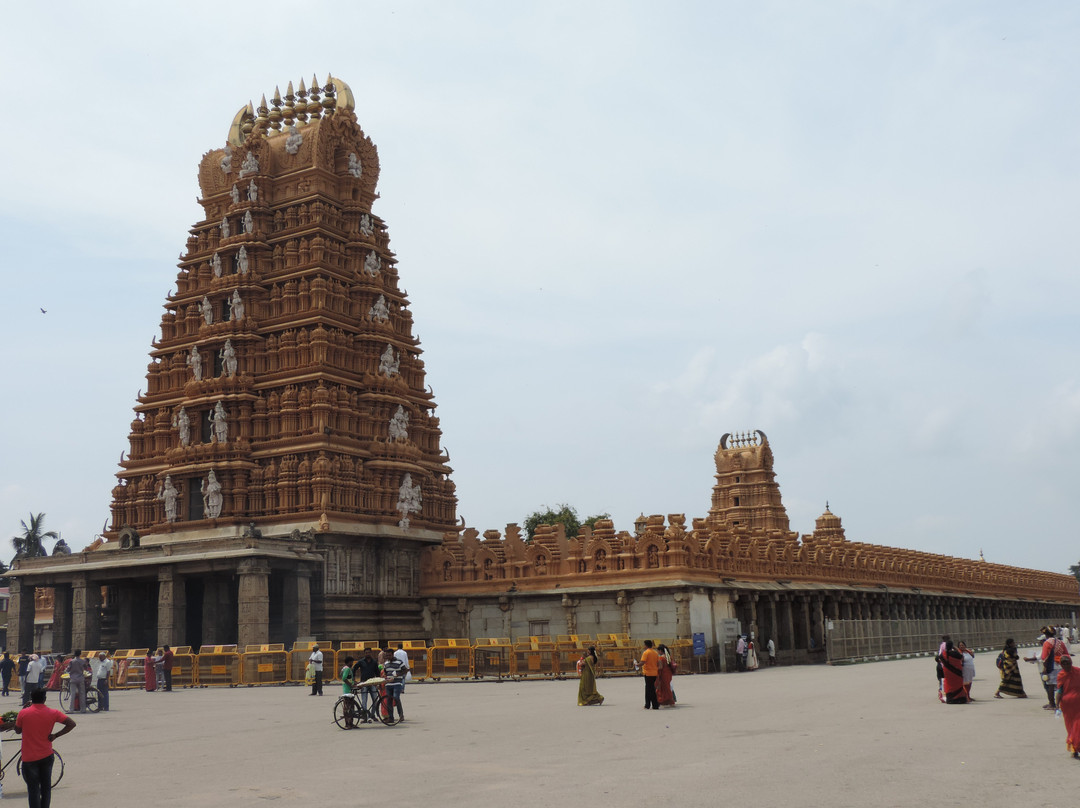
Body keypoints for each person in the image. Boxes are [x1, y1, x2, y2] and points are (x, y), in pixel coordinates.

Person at [15, 688, 76, 808]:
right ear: (45, 699)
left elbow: (17, 730)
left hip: (29, 757)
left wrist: (23, 710)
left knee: (33, 790)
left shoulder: (24, 713)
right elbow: (71, 724)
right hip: (47, 755)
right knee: (46, 788)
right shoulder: (53, 713)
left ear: (31, 699)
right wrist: (55, 735)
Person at [1055, 655, 1080, 759]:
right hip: (1068, 706)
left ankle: (1075, 747)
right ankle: (1075, 747)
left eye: (1068, 663)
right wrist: (1057, 705)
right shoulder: (1065, 674)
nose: (1067, 666)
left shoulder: (1063, 674)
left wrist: (1056, 705)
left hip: (1076, 704)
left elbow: (1059, 692)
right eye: (1064, 664)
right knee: (1072, 726)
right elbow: (1060, 691)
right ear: (1061, 665)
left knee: (1076, 726)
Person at [381, 647, 408, 721]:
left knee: (396, 698)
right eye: (387, 656)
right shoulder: (386, 663)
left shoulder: (399, 662)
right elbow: (386, 672)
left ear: (393, 655)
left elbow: (405, 670)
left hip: (397, 683)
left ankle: (401, 715)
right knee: (389, 700)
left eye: (389, 655)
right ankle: (391, 717)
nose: (388, 657)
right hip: (388, 685)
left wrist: (398, 674)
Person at [355, 650, 380, 723]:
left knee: (375, 699)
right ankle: (364, 717)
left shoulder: (374, 662)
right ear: (364, 653)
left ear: (371, 653)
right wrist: (354, 680)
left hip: (372, 683)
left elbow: (377, 673)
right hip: (364, 683)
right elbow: (354, 669)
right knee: (364, 701)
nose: (367, 654)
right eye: (366, 653)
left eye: (369, 652)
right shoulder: (361, 661)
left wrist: (378, 683)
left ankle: (373, 715)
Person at [637, 639, 660, 710]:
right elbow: (658, 663)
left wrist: (637, 664)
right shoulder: (655, 653)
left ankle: (651, 704)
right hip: (654, 673)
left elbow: (642, 662)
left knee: (649, 690)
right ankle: (651, 704)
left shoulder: (646, 653)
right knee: (651, 688)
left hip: (648, 673)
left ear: (646, 645)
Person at [339, 656, 357, 727]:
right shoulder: (347, 669)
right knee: (349, 707)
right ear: (348, 662)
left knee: (349, 706)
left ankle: (349, 722)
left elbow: (349, 678)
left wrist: (355, 682)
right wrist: (351, 685)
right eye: (351, 662)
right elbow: (344, 678)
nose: (352, 663)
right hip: (347, 689)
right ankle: (349, 723)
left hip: (347, 689)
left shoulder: (345, 668)